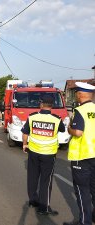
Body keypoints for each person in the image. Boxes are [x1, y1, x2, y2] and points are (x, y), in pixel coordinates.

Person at [21, 95, 65, 216]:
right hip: (49, 154)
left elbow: (25, 133)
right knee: (46, 180)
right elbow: (62, 130)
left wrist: (25, 144)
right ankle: (43, 207)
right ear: (52, 105)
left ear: (41, 104)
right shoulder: (57, 119)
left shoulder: (32, 117)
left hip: (34, 152)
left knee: (32, 177)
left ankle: (33, 201)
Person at [63, 82, 95, 225]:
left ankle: (85, 222)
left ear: (81, 94)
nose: (76, 94)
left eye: (76, 92)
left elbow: (78, 132)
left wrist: (69, 128)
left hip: (82, 157)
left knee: (82, 191)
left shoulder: (80, 111)